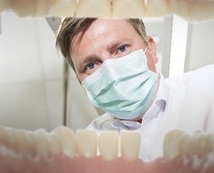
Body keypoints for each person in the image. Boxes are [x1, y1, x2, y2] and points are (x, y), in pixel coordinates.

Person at [56, 18, 214, 161]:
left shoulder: (208, 87)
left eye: (121, 49)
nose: (112, 73)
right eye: (91, 65)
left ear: (151, 49)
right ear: (82, 82)